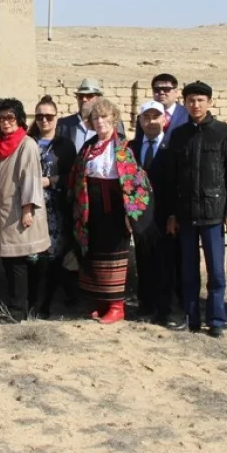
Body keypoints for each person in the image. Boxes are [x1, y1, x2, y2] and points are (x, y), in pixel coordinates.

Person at [162, 82, 227, 337]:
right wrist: (173, 214)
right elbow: (172, 179)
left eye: (200, 100)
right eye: (190, 101)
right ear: (184, 104)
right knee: (188, 271)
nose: (195, 105)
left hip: (213, 213)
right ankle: (191, 317)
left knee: (216, 272)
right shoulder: (179, 135)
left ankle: (216, 320)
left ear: (209, 102)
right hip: (186, 214)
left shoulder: (224, 133)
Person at [69, 97, 153, 325]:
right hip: (91, 210)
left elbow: (136, 183)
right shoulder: (88, 147)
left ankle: (117, 306)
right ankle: (101, 302)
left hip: (116, 211)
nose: (100, 122)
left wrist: (131, 214)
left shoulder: (125, 147)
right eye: (95, 118)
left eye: (104, 117)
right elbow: (77, 177)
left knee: (114, 256)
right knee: (94, 254)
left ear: (114, 119)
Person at [0, 98, 51, 322]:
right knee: (10, 261)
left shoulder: (27, 144)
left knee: (18, 264)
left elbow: (31, 179)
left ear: (19, 119)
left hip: (18, 213)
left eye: (10, 118)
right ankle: (17, 306)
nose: (6, 123)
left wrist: (27, 209)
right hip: (2, 213)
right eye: (1, 118)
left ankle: (18, 310)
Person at [27, 96, 78, 318]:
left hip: (56, 208)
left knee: (53, 257)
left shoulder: (65, 145)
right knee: (32, 257)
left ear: (56, 118)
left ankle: (46, 303)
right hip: (31, 206)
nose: (44, 120)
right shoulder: (28, 142)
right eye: (40, 116)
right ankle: (30, 301)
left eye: (49, 116)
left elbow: (74, 177)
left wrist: (52, 180)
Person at [128, 100, 177, 326]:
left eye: (155, 117)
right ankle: (145, 305)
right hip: (140, 217)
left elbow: (178, 185)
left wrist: (174, 215)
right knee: (143, 261)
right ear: (140, 121)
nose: (150, 122)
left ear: (164, 120)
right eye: (146, 117)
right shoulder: (131, 148)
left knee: (165, 263)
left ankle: (164, 309)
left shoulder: (172, 147)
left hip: (164, 216)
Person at [56, 78, 125, 152]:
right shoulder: (64, 124)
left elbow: (121, 148)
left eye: (89, 96)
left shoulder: (114, 123)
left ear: (98, 98)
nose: (84, 99)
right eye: (81, 96)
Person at [149, 73, 189, 139]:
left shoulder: (187, 115)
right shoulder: (144, 116)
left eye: (166, 89)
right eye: (157, 89)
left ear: (176, 91)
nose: (161, 92)